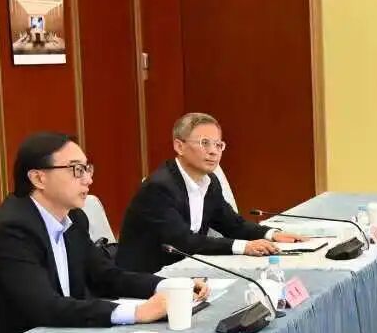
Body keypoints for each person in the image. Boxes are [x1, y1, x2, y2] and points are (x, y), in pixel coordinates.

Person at [0, 132, 199, 333]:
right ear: (38, 178)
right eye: (76, 170)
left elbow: (106, 277)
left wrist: (170, 287)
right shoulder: (12, 230)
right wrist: (138, 312)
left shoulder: (74, 219)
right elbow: (46, 307)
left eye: (87, 168)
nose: (88, 179)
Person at [115, 112, 304, 273]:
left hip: (187, 271)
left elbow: (233, 224)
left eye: (218, 145)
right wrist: (244, 246)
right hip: (146, 279)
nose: (213, 152)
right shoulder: (159, 187)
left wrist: (271, 234)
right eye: (204, 143)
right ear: (179, 146)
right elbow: (182, 241)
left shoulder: (209, 181)